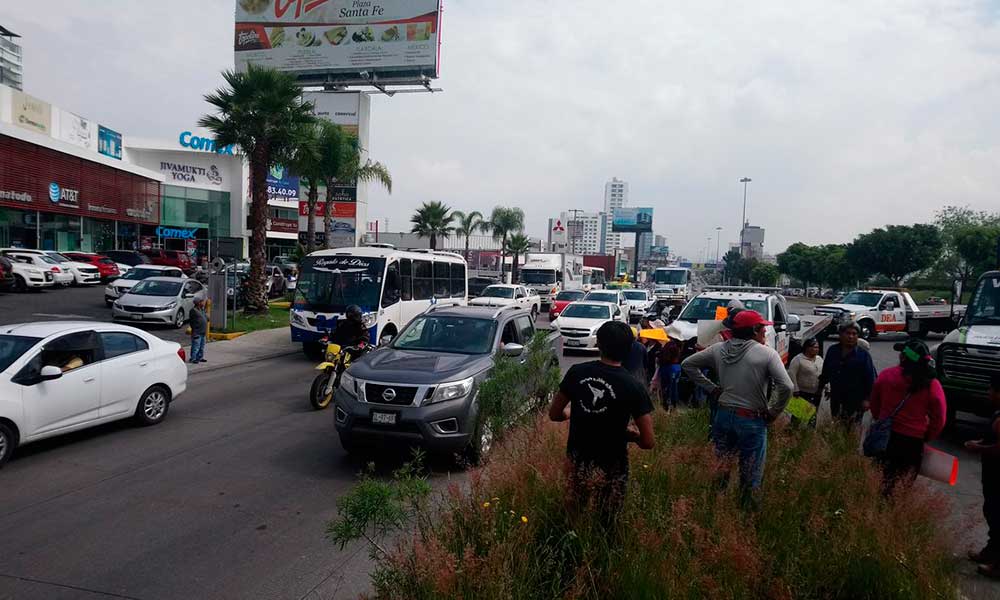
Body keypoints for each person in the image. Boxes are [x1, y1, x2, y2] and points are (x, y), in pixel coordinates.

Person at [549, 321, 655, 525]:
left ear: (598, 344)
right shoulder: (634, 386)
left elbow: (554, 414)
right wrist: (631, 435)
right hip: (613, 463)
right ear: (629, 348)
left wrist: (572, 413)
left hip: (577, 457)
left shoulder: (576, 372)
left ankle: (571, 550)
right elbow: (648, 442)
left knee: (573, 515)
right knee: (606, 521)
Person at [682, 310, 793, 503]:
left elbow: (688, 364)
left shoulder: (718, 349)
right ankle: (745, 514)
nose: (765, 333)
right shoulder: (766, 353)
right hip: (752, 419)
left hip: (723, 416)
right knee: (750, 474)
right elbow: (787, 386)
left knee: (721, 467)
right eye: (763, 329)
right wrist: (774, 411)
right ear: (754, 330)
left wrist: (712, 389)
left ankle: (714, 507)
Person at [869, 339, 946, 494]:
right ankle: (897, 513)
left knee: (883, 481)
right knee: (903, 485)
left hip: (886, 438)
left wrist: (882, 421)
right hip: (912, 443)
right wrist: (927, 435)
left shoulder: (886, 375)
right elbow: (940, 418)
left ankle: (879, 511)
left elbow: (874, 405)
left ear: (903, 357)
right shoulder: (931, 384)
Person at [966, 374, 1000, 577]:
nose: (989, 393)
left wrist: (978, 448)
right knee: (992, 512)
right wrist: (981, 442)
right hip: (992, 474)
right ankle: (991, 552)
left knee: (997, 515)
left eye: (992, 390)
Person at [818, 321, 877, 422]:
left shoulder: (863, 356)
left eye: (854, 334)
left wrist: (867, 399)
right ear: (841, 334)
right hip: (836, 397)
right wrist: (820, 387)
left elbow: (871, 379)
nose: (851, 337)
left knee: (851, 428)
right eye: (848, 333)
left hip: (856, 399)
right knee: (836, 424)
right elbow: (826, 371)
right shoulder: (832, 351)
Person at [787, 338, 823, 405]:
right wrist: (795, 389)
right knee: (800, 414)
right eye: (814, 347)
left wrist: (827, 388)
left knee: (812, 413)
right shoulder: (798, 359)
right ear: (807, 348)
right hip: (802, 393)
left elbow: (825, 373)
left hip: (817, 392)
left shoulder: (819, 359)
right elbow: (791, 374)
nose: (817, 349)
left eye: (817, 347)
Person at [189, 298, 208, 364]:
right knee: (196, 346)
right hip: (197, 332)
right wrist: (194, 328)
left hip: (203, 332)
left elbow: (207, 318)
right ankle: (193, 358)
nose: (203, 303)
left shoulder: (202, 310)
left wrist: (205, 311)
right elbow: (191, 321)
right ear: (198, 303)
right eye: (202, 302)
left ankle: (200, 357)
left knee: (201, 346)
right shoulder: (193, 310)